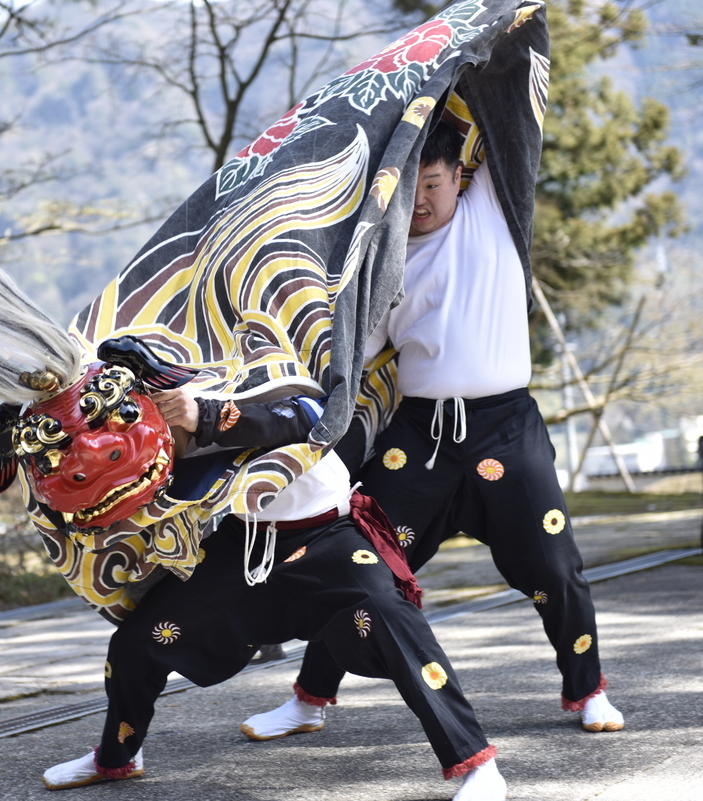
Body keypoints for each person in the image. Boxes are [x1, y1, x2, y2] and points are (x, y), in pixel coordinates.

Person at [240, 123, 625, 742]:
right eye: (407, 190)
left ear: (459, 177)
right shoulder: (378, 262)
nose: (420, 201)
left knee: (555, 566)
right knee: (357, 558)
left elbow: (511, 102)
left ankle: (587, 691)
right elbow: (352, 354)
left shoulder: (492, 209)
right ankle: (309, 699)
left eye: (433, 184)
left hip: (506, 428)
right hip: (420, 436)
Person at [41, 386, 508, 800]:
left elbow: (311, 414)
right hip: (243, 541)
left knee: (393, 620)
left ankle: (479, 765)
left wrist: (206, 412)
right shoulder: (153, 373)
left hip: (328, 535)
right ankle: (117, 754)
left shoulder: (269, 339)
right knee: (136, 642)